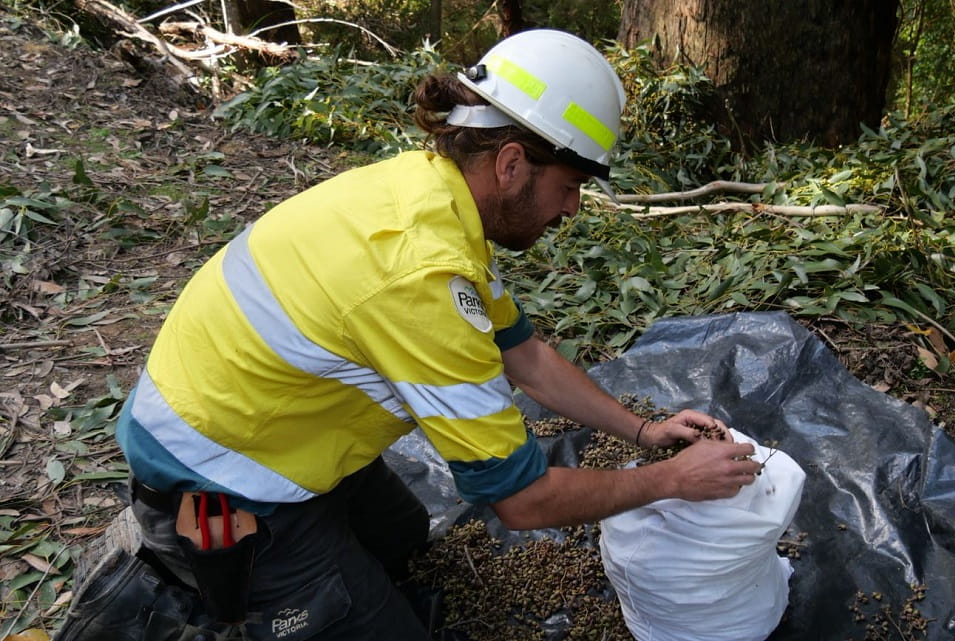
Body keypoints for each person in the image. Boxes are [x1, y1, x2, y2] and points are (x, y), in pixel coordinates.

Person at [57, 28, 761, 641]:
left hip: (266, 411)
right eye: (571, 184)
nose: (573, 207)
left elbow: (526, 354)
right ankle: (200, 589)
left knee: (400, 539)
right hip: (216, 474)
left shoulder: (431, 194)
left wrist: (642, 432)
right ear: (513, 163)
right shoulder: (421, 274)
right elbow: (519, 500)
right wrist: (668, 481)